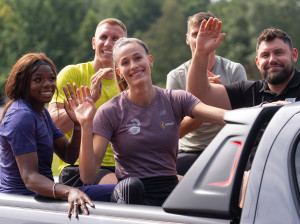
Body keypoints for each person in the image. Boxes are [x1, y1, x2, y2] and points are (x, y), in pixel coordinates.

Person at [65, 37, 227, 206]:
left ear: (150, 61)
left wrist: (254, 116)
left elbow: (222, 115)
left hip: (168, 188)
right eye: (125, 62)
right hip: (130, 191)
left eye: (137, 58)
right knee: (131, 187)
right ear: (119, 71)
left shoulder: (175, 99)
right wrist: (84, 124)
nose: (133, 66)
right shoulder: (110, 111)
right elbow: (88, 176)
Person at [0, 53, 116, 218]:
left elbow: (69, 155)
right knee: (125, 189)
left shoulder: (42, 114)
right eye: (38, 79)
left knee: (128, 187)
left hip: (43, 195)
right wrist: (69, 191)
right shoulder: (22, 116)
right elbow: (30, 178)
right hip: (26, 202)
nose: (47, 84)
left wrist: (77, 124)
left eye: (51, 79)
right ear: (23, 83)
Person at [166, 11, 247, 175]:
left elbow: (244, 123)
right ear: (187, 38)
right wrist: (201, 103)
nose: (200, 39)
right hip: (190, 151)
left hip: (228, 148)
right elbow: (174, 132)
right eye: (196, 34)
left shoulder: (234, 70)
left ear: (217, 38)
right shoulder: (176, 76)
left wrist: (218, 97)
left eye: (206, 34)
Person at [48, 18, 127, 187]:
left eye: (116, 39)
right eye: (103, 37)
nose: (108, 43)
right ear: (93, 42)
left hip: (124, 167)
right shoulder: (72, 74)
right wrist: (87, 103)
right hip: (77, 168)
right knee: (127, 187)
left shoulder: (128, 82)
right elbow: (53, 127)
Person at [186, 17, 299, 111]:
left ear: (293, 55)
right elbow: (199, 95)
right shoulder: (248, 91)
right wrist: (201, 52)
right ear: (258, 62)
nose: (272, 59)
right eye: (265, 55)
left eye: (278, 53)